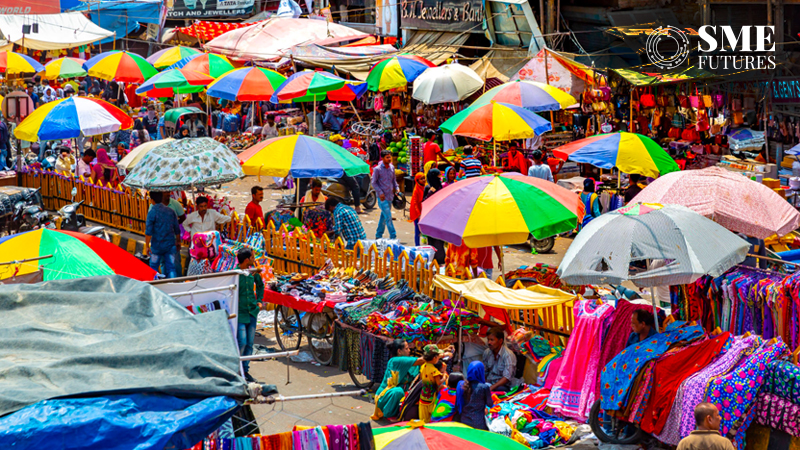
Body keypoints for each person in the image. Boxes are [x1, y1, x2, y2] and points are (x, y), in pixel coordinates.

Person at [371, 339, 423, 421]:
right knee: (398, 391)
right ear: (399, 351)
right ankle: (390, 414)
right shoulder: (396, 360)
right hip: (385, 396)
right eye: (406, 348)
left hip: (402, 394)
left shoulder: (407, 361)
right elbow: (422, 360)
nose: (409, 350)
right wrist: (441, 354)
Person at [236, 248, 264, 383]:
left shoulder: (253, 272)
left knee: (249, 344)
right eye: (252, 257)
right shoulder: (234, 274)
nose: (254, 259)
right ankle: (237, 370)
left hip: (252, 312)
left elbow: (260, 286)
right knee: (242, 342)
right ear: (247, 259)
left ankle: (245, 371)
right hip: (240, 313)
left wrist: (259, 301)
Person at [145, 191, 181, 279]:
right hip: (170, 245)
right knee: (171, 268)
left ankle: (154, 286)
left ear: (152, 200)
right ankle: (173, 286)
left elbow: (148, 232)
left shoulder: (152, 212)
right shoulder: (171, 211)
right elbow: (177, 229)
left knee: (153, 268)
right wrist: (178, 242)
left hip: (156, 246)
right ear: (161, 198)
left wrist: (147, 246)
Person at [419, 344, 452, 423]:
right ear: (434, 358)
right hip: (431, 398)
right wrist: (444, 376)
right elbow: (438, 383)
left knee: (423, 419)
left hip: (423, 397)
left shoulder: (423, 366)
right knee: (430, 420)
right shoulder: (434, 371)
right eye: (438, 356)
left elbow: (421, 379)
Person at [456, 361, 493, 430]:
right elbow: (490, 404)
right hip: (478, 424)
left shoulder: (461, 385)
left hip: (464, 422)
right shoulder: (484, 387)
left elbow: (457, 404)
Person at [371, 151, 399, 240]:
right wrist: (380, 192)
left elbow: (394, 180)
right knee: (388, 217)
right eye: (387, 157)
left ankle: (378, 235)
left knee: (384, 217)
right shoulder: (377, 169)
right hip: (382, 197)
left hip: (390, 196)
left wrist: (397, 188)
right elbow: (373, 183)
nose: (389, 159)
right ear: (382, 158)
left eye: (389, 157)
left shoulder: (392, 168)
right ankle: (393, 236)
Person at [483, 327, 517, 392]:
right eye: (488, 340)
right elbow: (485, 371)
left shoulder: (508, 355)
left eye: (492, 340)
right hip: (490, 382)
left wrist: (492, 387)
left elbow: (507, 378)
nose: (489, 342)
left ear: (500, 341)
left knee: (498, 389)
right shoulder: (487, 352)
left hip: (503, 385)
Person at [424, 168, 446, 264]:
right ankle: (432, 259)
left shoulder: (441, 187)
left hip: (439, 218)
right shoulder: (428, 188)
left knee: (439, 241)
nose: (439, 179)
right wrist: (430, 194)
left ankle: (440, 260)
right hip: (430, 218)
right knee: (432, 240)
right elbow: (424, 202)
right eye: (437, 177)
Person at [408, 172, 426, 246]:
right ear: (417, 180)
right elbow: (415, 203)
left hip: (423, 211)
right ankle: (417, 246)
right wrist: (418, 213)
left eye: (424, 178)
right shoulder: (416, 190)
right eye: (421, 179)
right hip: (416, 212)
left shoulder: (424, 187)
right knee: (417, 231)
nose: (424, 180)